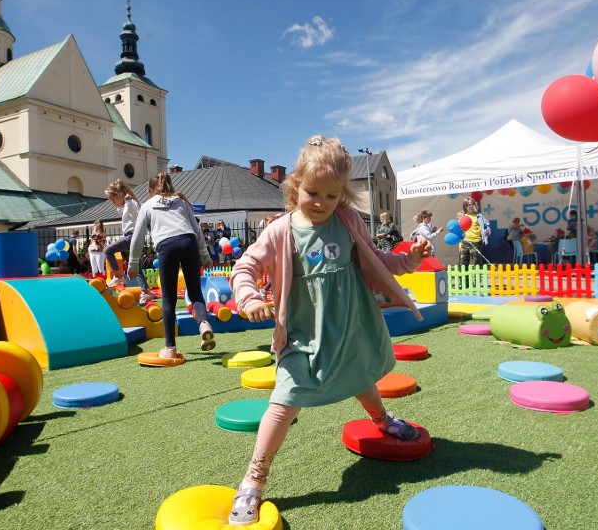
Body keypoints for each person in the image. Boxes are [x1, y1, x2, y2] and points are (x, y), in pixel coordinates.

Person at [227, 135, 432, 526]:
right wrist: (250, 298)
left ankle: (382, 421)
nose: (321, 202)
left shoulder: (348, 221)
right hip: (304, 335)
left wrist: (408, 259)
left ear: (343, 197)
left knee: (359, 375)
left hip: (349, 325)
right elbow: (244, 268)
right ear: (295, 187)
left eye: (332, 195)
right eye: (313, 192)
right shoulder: (280, 231)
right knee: (284, 401)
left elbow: (376, 259)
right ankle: (254, 479)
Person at [128, 171, 216, 356]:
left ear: (151, 191)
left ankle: (170, 348)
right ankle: (204, 323)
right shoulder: (182, 202)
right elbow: (198, 232)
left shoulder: (148, 205)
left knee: (168, 299)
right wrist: (205, 256)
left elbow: (137, 237)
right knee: (195, 291)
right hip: (189, 242)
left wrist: (133, 264)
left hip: (167, 246)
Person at [104, 179, 153, 304]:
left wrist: (140, 235)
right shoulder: (125, 205)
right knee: (135, 265)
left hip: (132, 236)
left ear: (119, 195)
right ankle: (146, 292)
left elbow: (140, 219)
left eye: (113, 200)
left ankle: (119, 276)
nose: (113, 203)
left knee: (108, 250)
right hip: (131, 236)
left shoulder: (130, 204)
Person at [459, 197, 491, 267]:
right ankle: (464, 278)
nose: (470, 206)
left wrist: (487, 231)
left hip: (476, 242)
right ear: (465, 207)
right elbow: (458, 227)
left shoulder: (479, 215)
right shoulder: (463, 216)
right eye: (468, 205)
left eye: (472, 204)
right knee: (463, 263)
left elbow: (487, 226)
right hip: (465, 242)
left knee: (476, 263)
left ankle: (477, 278)